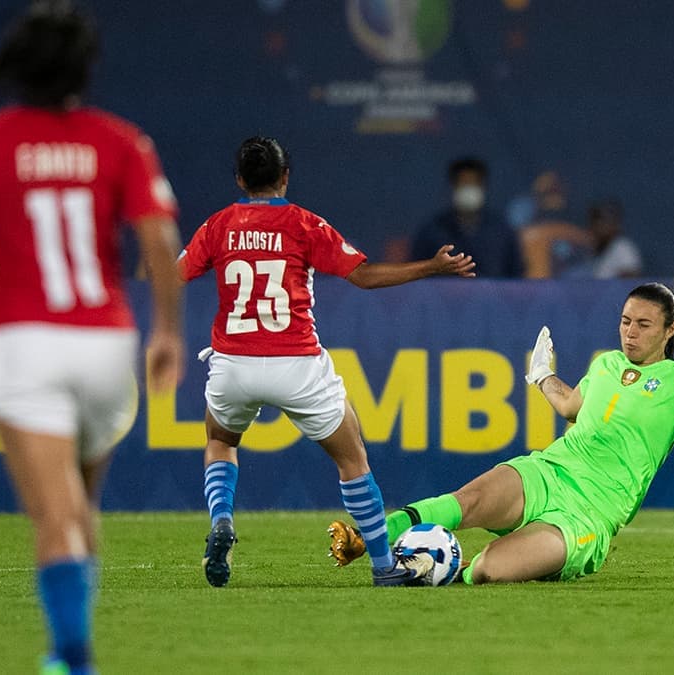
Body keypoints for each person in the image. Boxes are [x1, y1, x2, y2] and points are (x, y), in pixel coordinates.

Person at [0, 3, 185, 673]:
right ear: (84, 69)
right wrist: (169, 329)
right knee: (82, 503)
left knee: (54, 517)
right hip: (103, 345)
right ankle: (70, 652)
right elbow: (159, 239)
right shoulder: (121, 140)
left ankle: (74, 655)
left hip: (23, 341)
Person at [329, 282, 674, 584]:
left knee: (491, 572)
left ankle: (436, 567)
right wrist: (542, 376)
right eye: (624, 321)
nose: (630, 331)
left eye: (643, 324)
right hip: (550, 471)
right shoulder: (604, 365)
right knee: (467, 500)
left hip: (589, 515)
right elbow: (571, 405)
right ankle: (372, 538)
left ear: (669, 330)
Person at [178, 135, 477, 588]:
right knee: (352, 456)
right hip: (295, 363)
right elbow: (363, 276)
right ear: (285, 177)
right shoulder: (304, 224)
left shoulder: (217, 226)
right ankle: (382, 566)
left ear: (239, 179)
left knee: (220, 441)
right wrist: (431, 267)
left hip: (233, 362)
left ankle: (222, 520)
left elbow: (172, 273)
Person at [411, 156, 523, 278]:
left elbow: (516, 274)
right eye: (464, 184)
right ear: (452, 187)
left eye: (474, 184)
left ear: (483, 187)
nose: (469, 190)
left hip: (492, 296)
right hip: (443, 295)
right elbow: (419, 272)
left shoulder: (501, 230)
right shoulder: (432, 231)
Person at [563, 198, 644, 279]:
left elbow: (632, 279)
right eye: (596, 222)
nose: (599, 227)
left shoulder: (623, 247)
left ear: (615, 225)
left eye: (605, 222)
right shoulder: (594, 251)